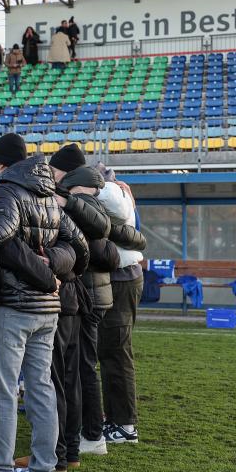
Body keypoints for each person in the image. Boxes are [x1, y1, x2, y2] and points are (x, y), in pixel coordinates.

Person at [0, 133, 88, 472]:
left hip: (13, 308)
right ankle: (44, 470)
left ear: (3, 164)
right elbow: (79, 246)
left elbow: (0, 233)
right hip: (48, 309)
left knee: (2, 392)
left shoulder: (7, 191)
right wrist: (55, 269)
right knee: (41, 389)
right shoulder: (48, 194)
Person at [21, 145, 115, 472]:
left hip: (73, 297)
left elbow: (102, 244)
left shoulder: (76, 197)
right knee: (71, 376)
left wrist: (58, 265)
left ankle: (61, 452)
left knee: (63, 377)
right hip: (79, 296)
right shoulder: (81, 194)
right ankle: (70, 450)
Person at [96, 172, 147, 445]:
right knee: (112, 351)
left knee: (116, 352)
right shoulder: (123, 195)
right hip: (124, 275)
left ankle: (125, 425)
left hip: (121, 277)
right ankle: (118, 419)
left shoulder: (111, 196)